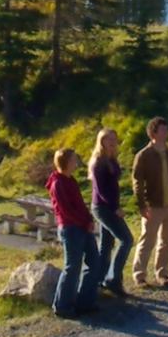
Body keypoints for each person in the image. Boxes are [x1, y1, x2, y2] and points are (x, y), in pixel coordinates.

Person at [130, 116, 168, 286]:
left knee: (167, 241)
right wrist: (141, 205)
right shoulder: (143, 156)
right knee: (147, 240)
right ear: (153, 133)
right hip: (153, 205)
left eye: (166, 129)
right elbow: (137, 182)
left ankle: (162, 274)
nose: (166, 132)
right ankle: (139, 275)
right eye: (163, 129)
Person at [45, 149, 101, 317]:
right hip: (70, 229)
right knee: (72, 267)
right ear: (66, 162)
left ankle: (85, 301)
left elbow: (79, 204)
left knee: (94, 261)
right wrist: (84, 222)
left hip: (82, 227)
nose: (76, 162)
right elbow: (66, 211)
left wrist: (88, 219)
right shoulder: (58, 184)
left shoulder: (70, 180)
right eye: (73, 159)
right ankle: (62, 306)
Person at [88, 128, 134, 297]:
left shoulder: (111, 159)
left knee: (106, 245)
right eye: (109, 139)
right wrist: (115, 208)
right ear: (101, 142)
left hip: (108, 206)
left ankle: (97, 281)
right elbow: (101, 190)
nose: (113, 142)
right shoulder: (98, 162)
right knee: (127, 240)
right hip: (103, 207)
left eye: (114, 139)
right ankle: (113, 280)